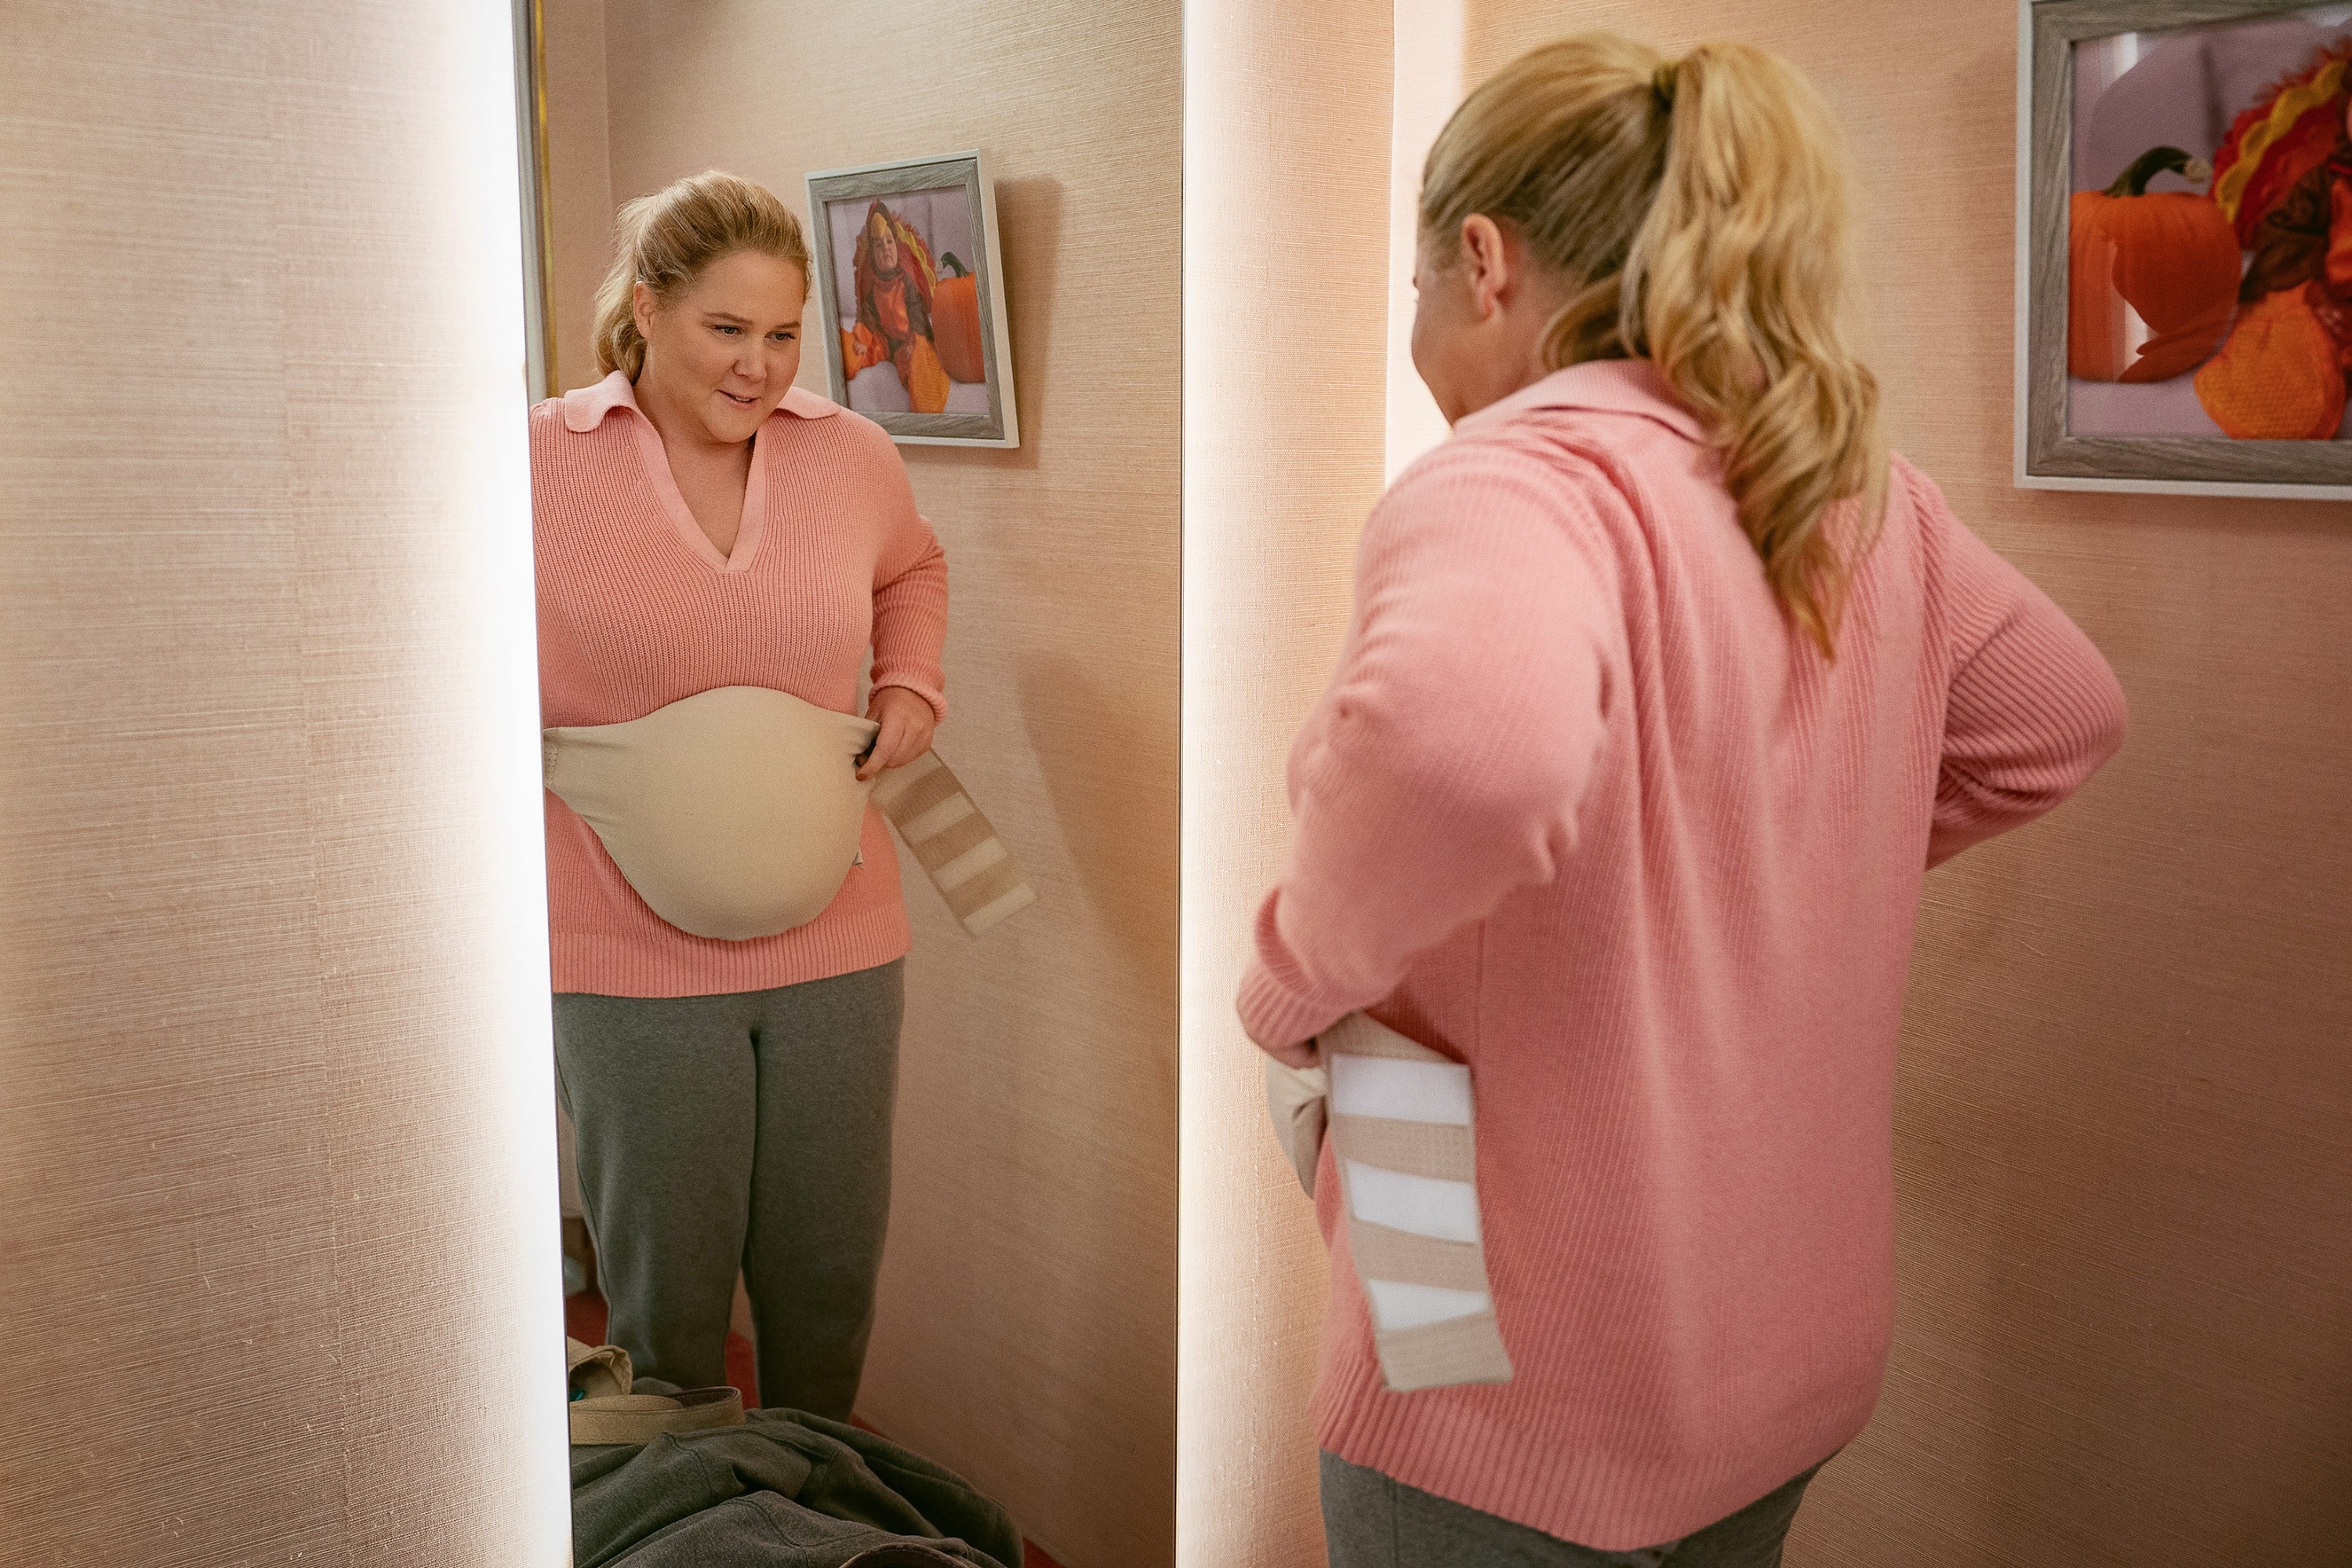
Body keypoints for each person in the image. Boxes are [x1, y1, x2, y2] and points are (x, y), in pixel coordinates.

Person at [1236, 34, 2128, 1568]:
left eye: (1414, 286)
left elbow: (1466, 757)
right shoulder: (1848, 492)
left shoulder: (1513, 481)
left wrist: (1286, 982)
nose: (1418, 330)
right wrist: (1778, 853)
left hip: (1516, 1376)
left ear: (1483, 262)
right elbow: (2058, 718)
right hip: (1780, 1362)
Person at [534, 170, 948, 1420]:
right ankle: (691, 1514)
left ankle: (818, 1504)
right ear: (646, 309)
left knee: (828, 1288)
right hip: (622, 956)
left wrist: (913, 684)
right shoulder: (535, 463)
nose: (758, 366)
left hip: (841, 943)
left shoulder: (850, 454)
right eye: (726, 329)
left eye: (782, 333)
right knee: (667, 1311)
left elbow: (913, 568)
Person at [843, 201, 953, 414]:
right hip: (884, 341)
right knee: (848, 349)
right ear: (872, 256)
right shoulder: (873, 287)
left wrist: (915, 341)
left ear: (897, 246)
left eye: (889, 242)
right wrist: (863, 341)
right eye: (878, 245)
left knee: (917, 368)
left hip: (909, 339)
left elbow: (917, 316)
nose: (885, 249)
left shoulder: (907, 283)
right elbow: (867, 318)